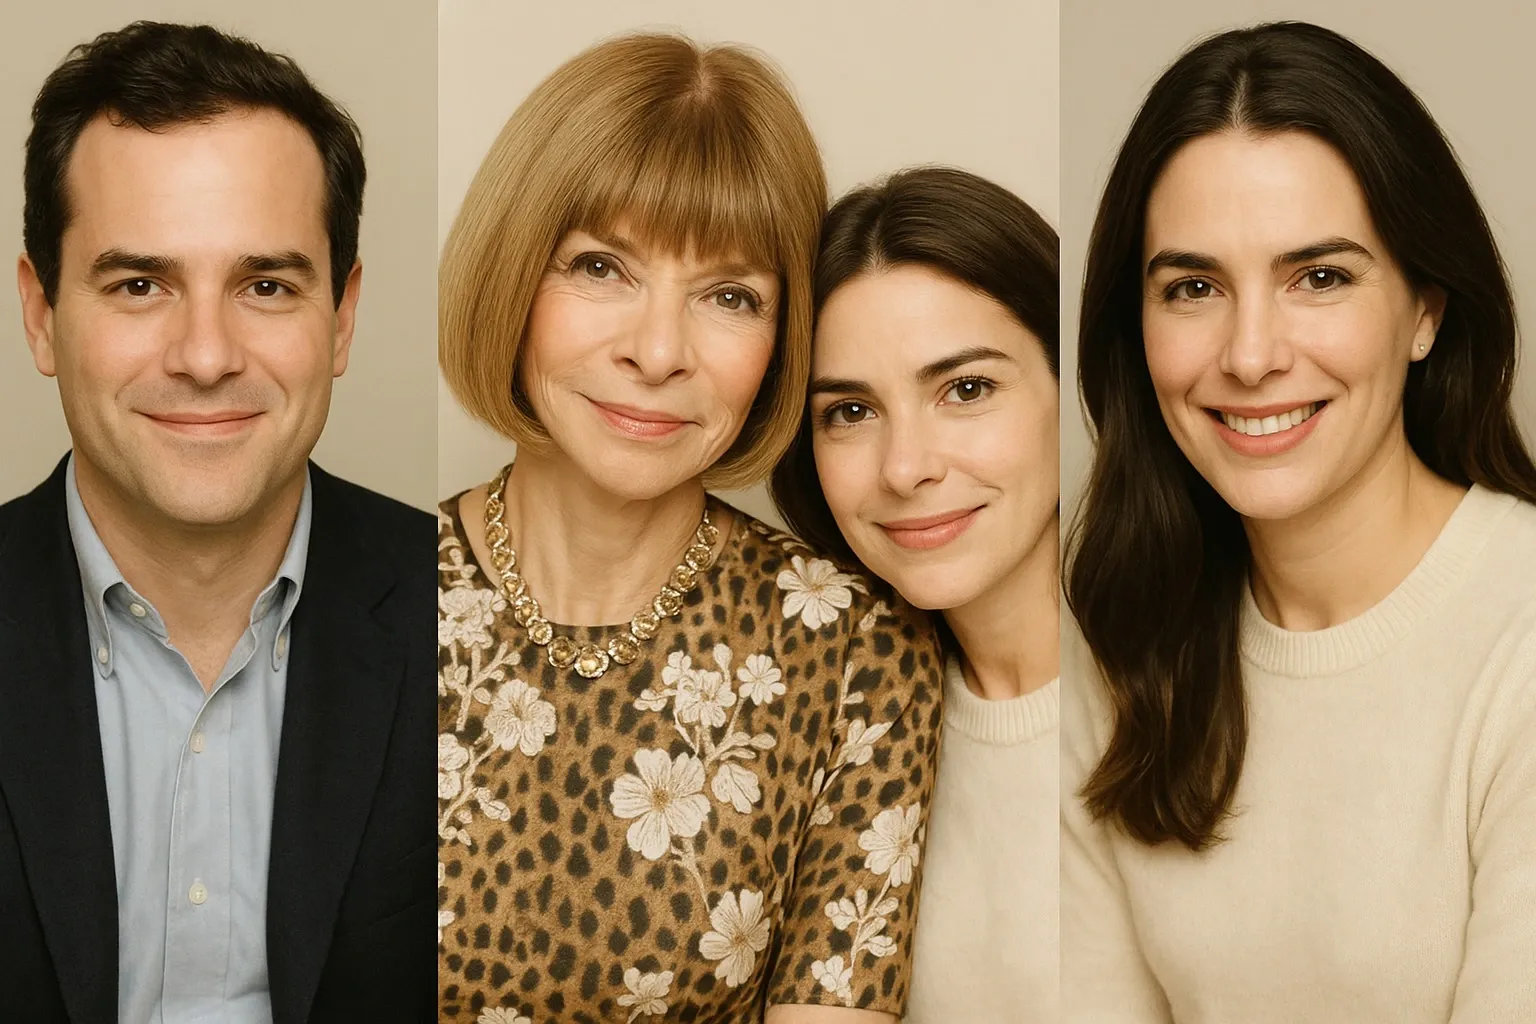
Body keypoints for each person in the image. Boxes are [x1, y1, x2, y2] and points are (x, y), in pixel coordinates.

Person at [435, 32, 944, 1024]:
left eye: (729, 296)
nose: (659, 350)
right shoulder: (351, 603)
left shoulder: (856, 647)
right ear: (510, 275)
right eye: (600, 267)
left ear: (784, 338)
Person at [1062, 21, 1536, 1023]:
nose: (1250, 355)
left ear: (1426, 310)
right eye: (1193, 287)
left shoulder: (1519, 629)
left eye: (1319, 277)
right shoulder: (1115, 633)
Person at [0, 22, 433, 1023]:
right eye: (139, 284)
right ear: (41, 313)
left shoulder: (474, 612)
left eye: (265, 286)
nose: (205, 356)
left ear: (342, 319)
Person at [772, 166, 1061, 1023]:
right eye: (850, 412)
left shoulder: (1202, 673)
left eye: (966, 390)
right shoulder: (843, 725)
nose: (905, 468)